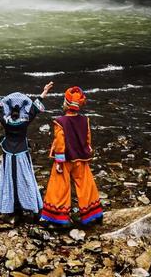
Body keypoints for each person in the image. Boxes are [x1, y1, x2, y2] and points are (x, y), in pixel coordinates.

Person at [0, 81, 53, 220]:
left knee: (8, 179)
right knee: (26, 178)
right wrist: (44, 92)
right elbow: (34, 108)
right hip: (22, 152)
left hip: (8, 153)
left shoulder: (5, 121)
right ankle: (30, 204)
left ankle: (10, 206)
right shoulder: (25, 120)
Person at [40, 86, 103, 227]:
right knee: (86, 185)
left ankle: (60, 218)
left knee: (59, 186)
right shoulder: (85, 120)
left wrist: (58, 161)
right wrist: (87, 152)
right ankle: (92, 215)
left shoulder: (60, 121)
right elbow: (88, 140)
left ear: (66, 103)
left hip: (65, 159)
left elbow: (60, 143)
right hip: (81, 158)